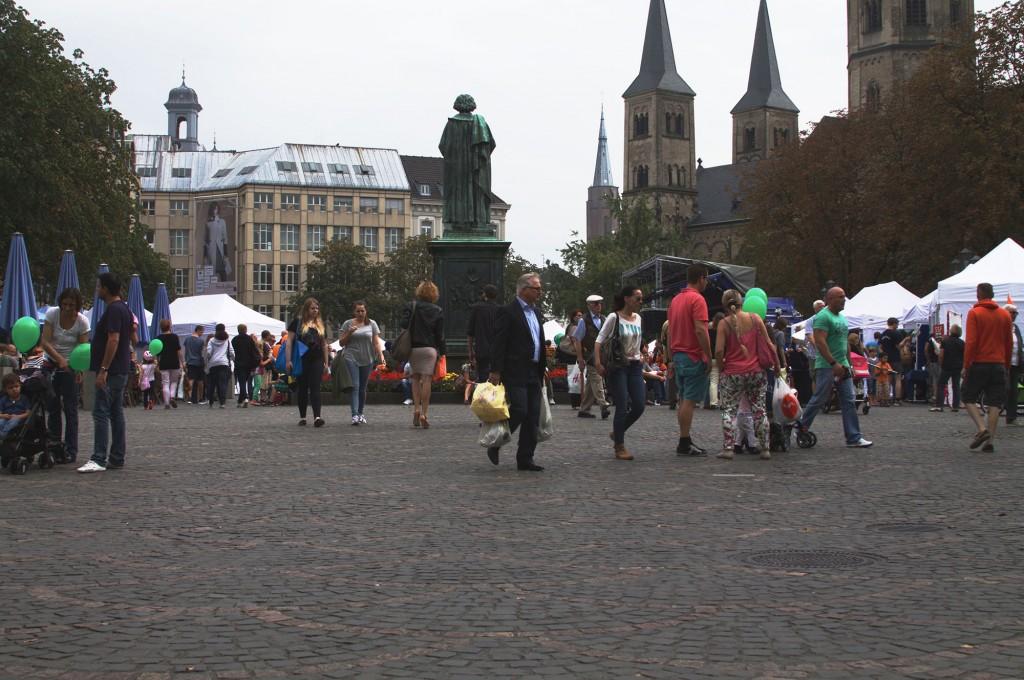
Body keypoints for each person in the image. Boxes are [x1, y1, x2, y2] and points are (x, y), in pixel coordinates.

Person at [796, 287, 873, 448]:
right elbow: (820, 342)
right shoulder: (823, 317)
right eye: (840, 297)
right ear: (830, 299)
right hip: (826, 366)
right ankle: (801, 426)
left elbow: (845, 343)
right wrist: (833, 363)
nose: (844, 299)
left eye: (844, 296)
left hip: (843, 366)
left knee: (849, 400)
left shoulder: (842, 318)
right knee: (819, 399)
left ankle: (853, 437)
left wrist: (849, 364)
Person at [487, 272, 546, 471]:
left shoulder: (537, 312)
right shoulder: (508, 311)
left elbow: (537, 340)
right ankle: (496, 441)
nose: (540, 291)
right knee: (520, 409)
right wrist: (495, 370)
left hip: (534, 369)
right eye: (536, 288)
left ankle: (526, 458)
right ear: (523, 289)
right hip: (515, 369)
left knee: (533, 416)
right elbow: (498, 342)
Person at [79, 272, 134, 473]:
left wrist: (103, 369)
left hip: (111, 371)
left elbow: (113, 339)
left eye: (99, 286)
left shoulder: (113, 310)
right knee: (115, 413)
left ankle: (99, 457)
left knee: (101, 411)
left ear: (106, 289)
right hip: (119, 369)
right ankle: (117, 456)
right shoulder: (125, 309)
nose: (97, 290)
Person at [714, 290, 778, 460]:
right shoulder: (756, 319)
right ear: (742, 302)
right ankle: (765, 448)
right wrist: (777, 366)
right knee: (759, 411)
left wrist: (722, 368)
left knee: (729, 411)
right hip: (756, 372)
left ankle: (728, 448)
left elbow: (719, 351)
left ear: (724, 305)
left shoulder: (723, 324)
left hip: (732, 374)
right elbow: (769, 345)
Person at [594, 285, 647, 461]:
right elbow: (599, 340)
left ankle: (618, 431)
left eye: (641, 299)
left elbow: (638, 340)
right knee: (622, 405)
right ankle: (619, 446)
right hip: (618, 366)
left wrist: (641, 355)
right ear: (626, 298)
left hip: (635, 366)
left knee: (639, 405)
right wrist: (598, 362)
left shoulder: (638, 318)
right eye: (637, 298)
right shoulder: (614, 317)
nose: (640, 302)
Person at [40, 287, 89, 463]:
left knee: (70, 409)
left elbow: (82, 349)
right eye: (65, 304)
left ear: (77, 306)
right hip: (52, 361)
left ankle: (71, 449)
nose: (67, 308)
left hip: (71, 365)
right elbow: (44, 341)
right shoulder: (52, 314)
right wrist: (59, 359)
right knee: (52, 407)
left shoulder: (82, 322)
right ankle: (54, 444)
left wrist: (78, 370)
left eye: (71, 305)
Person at [961, 283, 1013, 452]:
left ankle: (982, 429)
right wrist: (1006, 364)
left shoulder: (974, 313)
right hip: (998, 363)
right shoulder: (1005, 315)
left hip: (979, 363)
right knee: (994, 403)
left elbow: (972, 342)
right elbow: (1008, 343)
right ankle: (990, 440)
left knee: (968, 397)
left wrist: (966, 364)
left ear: (978, 294)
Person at [668, 264, 712, 456]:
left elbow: (670, 331)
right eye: (706, 279)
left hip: (678, 355)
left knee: (683, 399)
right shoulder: (697, 299)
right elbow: (701, 330)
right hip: (693, 355)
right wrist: (708, 356)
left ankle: (684, 439)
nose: (707, 282)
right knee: (689, 401)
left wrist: (670, 358)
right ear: (701, 278)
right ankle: (684, 442)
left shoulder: (676, 300)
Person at [401, 281, 446, 429]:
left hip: (414, 348)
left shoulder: (411, 306)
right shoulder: (438, 310)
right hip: (430, 349)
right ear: (434, 293)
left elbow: (403, 324)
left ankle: (416, 409)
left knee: (414, 379)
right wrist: (443, 351)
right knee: (427, 380)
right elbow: (439, 335)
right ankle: (424, 414)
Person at [339, 301, 385, 426]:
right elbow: (341, 343)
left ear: (366, 311)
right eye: (358, 311)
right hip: (351, 357)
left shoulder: (372, 324)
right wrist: (349, 333)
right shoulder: (348, 324)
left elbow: (376, 342)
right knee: (355, 386)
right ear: (354, 312)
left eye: (362, 311)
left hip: (367, 358)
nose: (360, 313)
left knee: (362, 388)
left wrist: (381, 355)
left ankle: (360, 413)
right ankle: (354, 415)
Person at [287, 298, 330, 427]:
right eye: (312, 308)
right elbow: (289, 342)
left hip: (317, 358)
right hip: (301, 358)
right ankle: (303, 417)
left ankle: (317, 417)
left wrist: (326, 363)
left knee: (315, 387)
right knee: (303, 388)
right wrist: (288, 360)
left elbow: (324, 344)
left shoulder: (320, 324)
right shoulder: (297, 322)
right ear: (306, 309)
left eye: (317, 308)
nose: (315, 310)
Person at [573, 294, 611, 420]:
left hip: (603, 355)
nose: (598, 305)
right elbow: (577, 339)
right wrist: (580, 358)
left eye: (600, 303)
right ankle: (603, 404)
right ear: (589, 305)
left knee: (591, 383)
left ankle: (584, 409)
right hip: (590, 356)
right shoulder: (583, 321)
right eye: (595, 303)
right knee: (597, 378)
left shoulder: (604, 319)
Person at [466, 284, 499, 382]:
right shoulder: (500, 309)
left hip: (482, 349)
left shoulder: (477, 308)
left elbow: (470, 332)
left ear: (485, 294)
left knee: (483, 378)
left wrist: (470, 350)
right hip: (496, 350)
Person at [931, 324, 964, 412]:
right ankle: (955, 406)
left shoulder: (945, 341)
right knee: (956, 386)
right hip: (958, 367)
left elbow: (941, 354)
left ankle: (939, 405)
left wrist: (941, 364)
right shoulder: (962, 342)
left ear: (951, 331)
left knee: (941, 385)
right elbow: (964, 356)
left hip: (947, 366)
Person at [153, 319, 183, 410]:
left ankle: (166, 403)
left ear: (160, 327)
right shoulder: (175, 337)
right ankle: (172, 397)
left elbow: (156, 353)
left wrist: (157, 362)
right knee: (173, 382)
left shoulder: (158, 338)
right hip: (174, 362)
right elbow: (179, 351)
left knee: (165, 383)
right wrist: (182, 361)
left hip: (164, 362)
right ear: (169, 326)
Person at [204, 324, 234, 409]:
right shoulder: (227, 340)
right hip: (224, 364)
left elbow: (209, 353)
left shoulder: (211, 340)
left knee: (212, 383)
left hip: (213, 364)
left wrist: (207, 361)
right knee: (222, 384)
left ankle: (211, 402)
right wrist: (234, 360)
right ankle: (222, 403)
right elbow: (231, 352)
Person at [879, 318, 908, 404]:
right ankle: (897, 399)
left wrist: (883, 356)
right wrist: (905, 340)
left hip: (886, 360)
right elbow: (899, 346)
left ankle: (887, 398)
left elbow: (880, 347)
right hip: (895, 358)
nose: (898, 325)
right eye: (897, 324)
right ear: (894, 324)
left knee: (888, 379)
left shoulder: (883, 334)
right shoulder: (896, 333)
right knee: (898, 379)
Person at [230, 324, 258, 407]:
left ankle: (244, 398)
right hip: (249, 363)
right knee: (244, 381)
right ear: (245, 330)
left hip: (239, 363)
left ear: (238, 330)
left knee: (241, 382)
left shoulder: (234, 339)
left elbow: (234, 350)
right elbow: (253, 350)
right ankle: (241, 400)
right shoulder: (249, 339)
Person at [204, 202, 231, 281]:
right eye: (213, 209)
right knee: (211, 272)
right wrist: (205, 256)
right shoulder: (208, 223)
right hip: (211, 250)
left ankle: (225, 290)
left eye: (216, 209)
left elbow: (225, 238)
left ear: (218, 210)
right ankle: (212, 291)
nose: (214, 211)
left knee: (223, 271)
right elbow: (205, 241)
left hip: (220, 249)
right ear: (211, 210)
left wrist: (226, 254)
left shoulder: (222, 221)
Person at [1005, 304, 1022, 425]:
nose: (1015, 315)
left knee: (1014, 391)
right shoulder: (1001, 326)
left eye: (1016, 313)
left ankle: (1012, 416)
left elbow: (1020, 345)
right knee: (1006, 389)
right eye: (1013, 312)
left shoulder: (1016, 328)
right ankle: (993, 411)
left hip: (1015, 364)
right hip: (1004, 364)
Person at [0, 373, 30, 438]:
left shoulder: (24, 399)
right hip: (6, 417)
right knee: (0, 422)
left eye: (16, 386)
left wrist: (18, 416)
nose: (14, 389)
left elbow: (28, 413)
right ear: (5, 390)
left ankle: (3, 436)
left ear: (20, 386)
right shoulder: (4, 399)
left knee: (13, 422)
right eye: (10, 388)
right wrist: (3, 415)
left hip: (19, 418)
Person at [184, 325, 206, 405]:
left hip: (190, 361)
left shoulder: (187, 339)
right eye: (202, 332)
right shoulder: (201, 341)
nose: (202, 333)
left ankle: (189, 397)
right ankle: (200, 398)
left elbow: (186, 351)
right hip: (199, 362)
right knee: (200, 380)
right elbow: (202, 353)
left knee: (191, 379)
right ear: (198, 330)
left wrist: (186, 361)